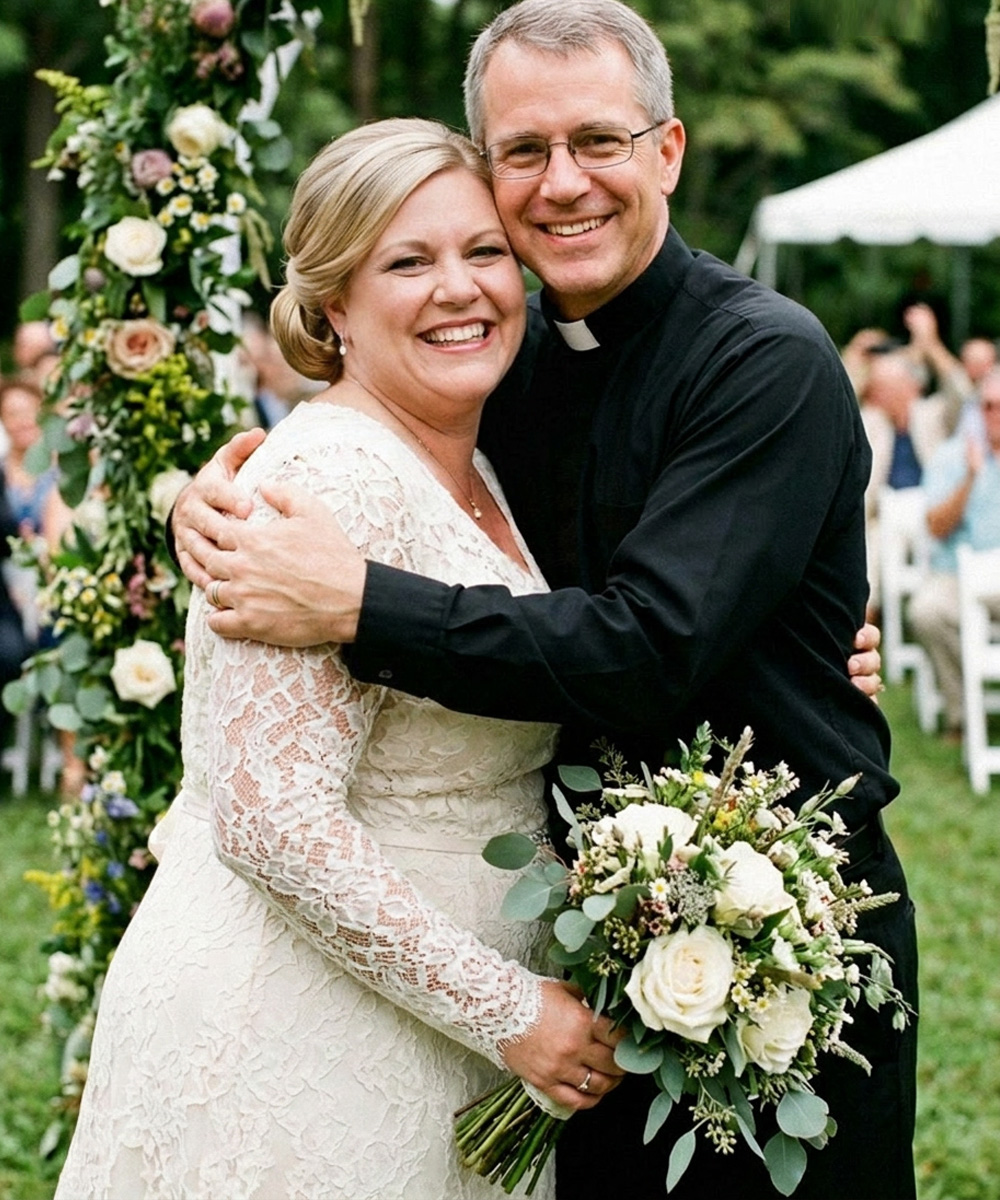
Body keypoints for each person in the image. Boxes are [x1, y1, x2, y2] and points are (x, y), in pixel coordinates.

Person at [173, 3, 916, 1198]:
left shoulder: (761, 359)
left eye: (597, 141)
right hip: (574, 960)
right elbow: (370, 458)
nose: (563, 182)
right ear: (490, 169)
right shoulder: (497, 363)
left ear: (666, 151)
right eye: (524, 151)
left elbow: (648, 644)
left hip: (785, 945)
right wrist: (204, 503)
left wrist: (359, 603)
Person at [55, 118, 623, 1200]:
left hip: (421, 1035)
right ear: (332, 309)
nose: (458, 288)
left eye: (483, 251)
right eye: (406, 262)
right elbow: (270, 817)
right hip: (291, 1034)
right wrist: (511, 1013)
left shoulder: (480, 459)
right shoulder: (333, 475)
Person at [909, 367, 1000, 740]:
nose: (994, 414)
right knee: (925, 611)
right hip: (957, 575)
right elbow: (935, 526)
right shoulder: (951, 455)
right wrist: (970, 478)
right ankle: (963, 713)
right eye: (988, 405)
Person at [860, 348, 954, 618]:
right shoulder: (873, 421)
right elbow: (838, 407)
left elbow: (962, 394)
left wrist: (930, 345)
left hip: (931, 511)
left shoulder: (932, 413)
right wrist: (855, 357)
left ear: (908, 386)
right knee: (869, 545)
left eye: (884, 387)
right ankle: (864, 623)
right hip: (886, 515)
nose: (877, 394)